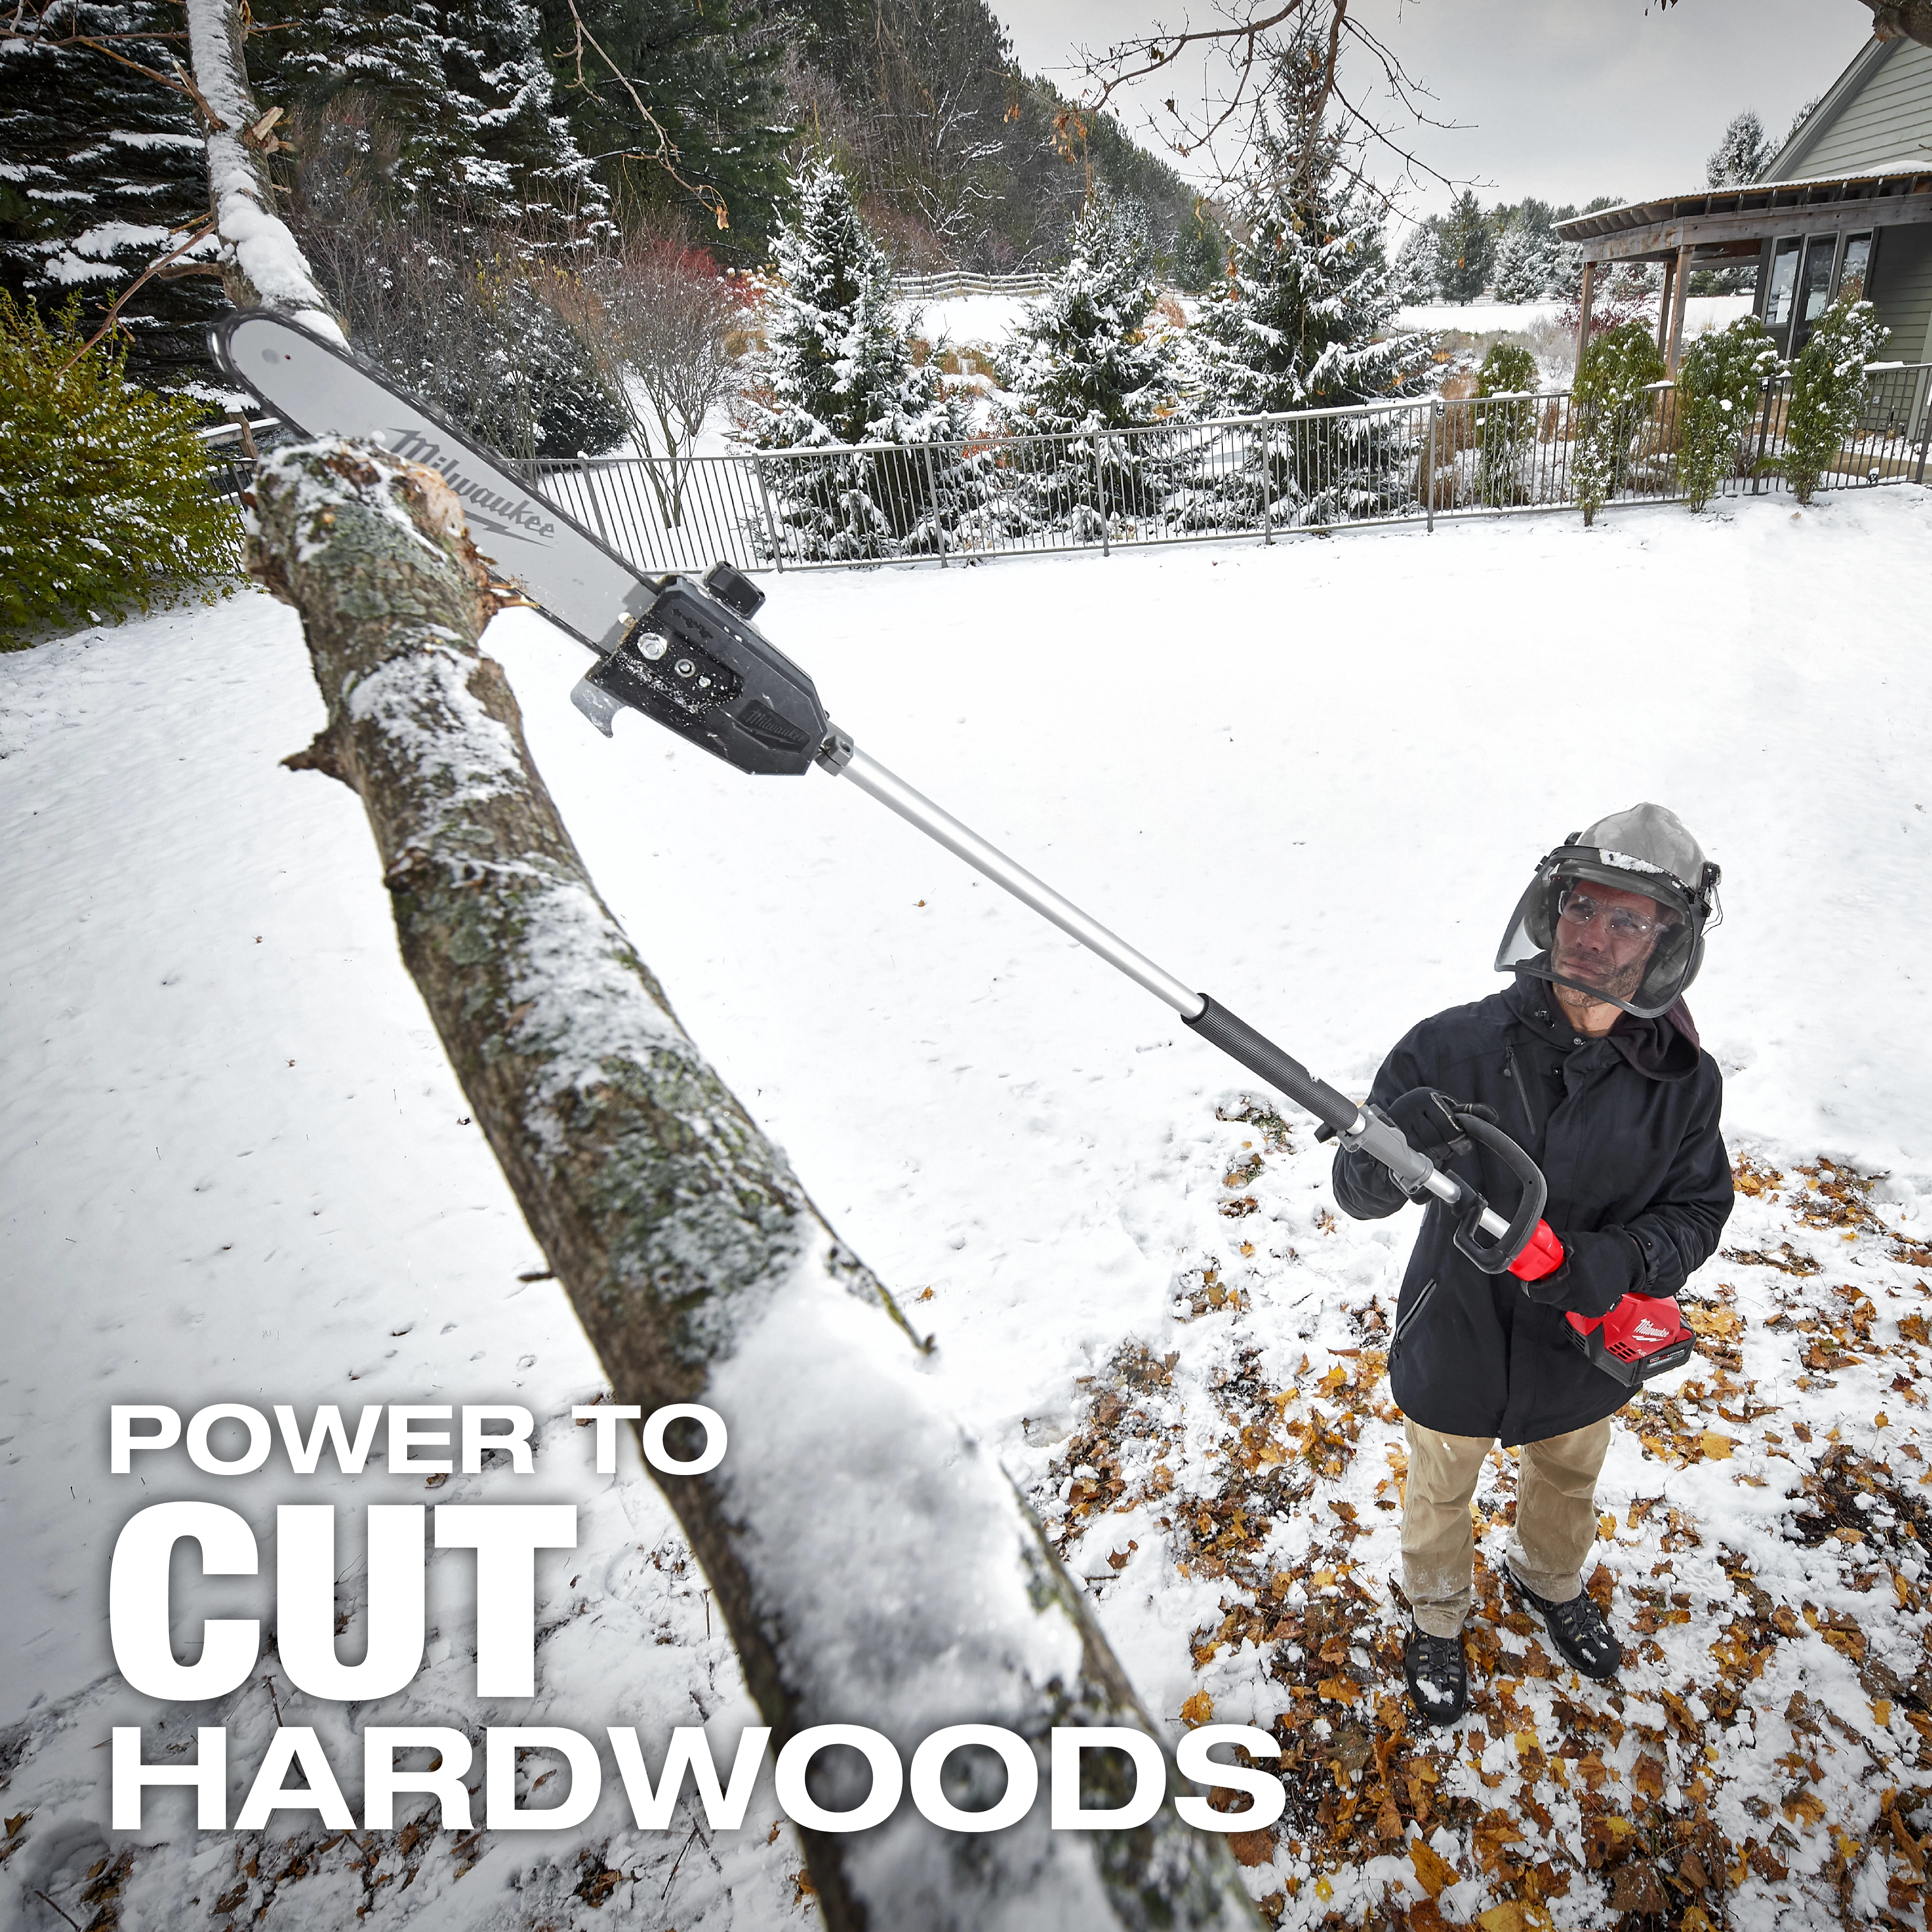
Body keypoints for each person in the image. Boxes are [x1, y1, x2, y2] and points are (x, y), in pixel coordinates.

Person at [1332, 804, 1733, 1725]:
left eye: (1626, 919)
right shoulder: (1449, 1046)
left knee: (1567, 1474)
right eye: (1580, 908)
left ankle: (1550, 1581)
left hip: (1582, 1346)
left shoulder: (1684, 1083)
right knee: (1441, 1485)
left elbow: (1699, 1208)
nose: (1591, 936)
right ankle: (1437, 1614)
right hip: (1455, 1333)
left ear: (1668, 941)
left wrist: (1625, 1260)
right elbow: (1357, 1194)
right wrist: (1378, 1157)